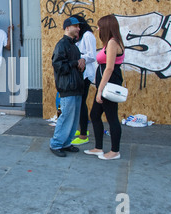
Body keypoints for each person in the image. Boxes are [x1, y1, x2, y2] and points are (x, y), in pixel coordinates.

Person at [85, 15, 125, 160]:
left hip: (109, 84)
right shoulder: (110, 42)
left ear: (107, 27)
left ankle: (115, 151)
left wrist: (100, 90)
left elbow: (109, 69)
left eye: (100, 26)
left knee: (112, 117)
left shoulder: (113, 43)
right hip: (105, 84)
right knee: (95, 114)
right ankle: (98, 147)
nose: (98, 29)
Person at [49, 17, 85, 157]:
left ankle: (66, 143)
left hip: (76, 88)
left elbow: (73, 65)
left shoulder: (73, 46)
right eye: (75, 26)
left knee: (74, 118)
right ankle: (56, 144)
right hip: (67, 88)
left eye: (78, 26)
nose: (78, 28)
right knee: (65, 117)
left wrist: (81, 64)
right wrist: (76, 63)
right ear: (67, 28)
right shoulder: (62, 45)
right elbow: (58, 66)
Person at [71, 15, 96, 145]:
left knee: (81, 103)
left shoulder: (87, 35)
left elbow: (92, 55)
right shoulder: (79, 37)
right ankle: (81, 129)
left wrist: (80, 58)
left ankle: (83, 134)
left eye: (76, 26)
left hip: (86, 74)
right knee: (79, 103)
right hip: (80, 73)